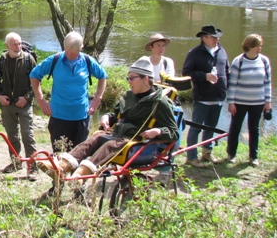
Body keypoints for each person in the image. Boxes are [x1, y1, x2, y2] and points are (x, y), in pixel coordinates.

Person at [38, 57, 179, 184]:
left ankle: (80, 176)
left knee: (110, 144)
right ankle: (60, 166)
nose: (128, 82)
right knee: (93, 139)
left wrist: (157, 131)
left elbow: (174, 132)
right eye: (128, 78)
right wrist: (107, 117)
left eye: (132, 78)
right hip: (119, 133)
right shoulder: (129, 95)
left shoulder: (160, 102)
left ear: (146, 79)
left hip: (137, 141)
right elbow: (115, 114)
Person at [30, 31, 108, 152]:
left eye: (74, 52)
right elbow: (34, 75)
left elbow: (103, 76)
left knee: (78, 154)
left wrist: (97, 99)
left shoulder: (87, 61)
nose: (70, 55)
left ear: (81, 48)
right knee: (59, 153)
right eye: (68, 51)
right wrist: (41, 100)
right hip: (58, 116)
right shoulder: (54, 60)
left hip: (81, 115)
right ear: (64, 46)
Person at [0, 32, 38, 180]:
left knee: (28, 136)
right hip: (7, 105)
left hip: (24, 105)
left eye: (19, 44)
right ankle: (16, 163)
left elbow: (36, 82)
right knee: (12, 136)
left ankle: (32, 167)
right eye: (14, 44)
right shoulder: (2, 60)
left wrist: (26, 98)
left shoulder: (28, 59)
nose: (18, 47)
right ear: (7, 46)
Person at [182, 24, 229, 167]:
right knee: (196, 128)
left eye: (217, 37)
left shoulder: (221, 51)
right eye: (213, 37)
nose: (216, 40)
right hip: (202, 97)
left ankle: (207, 152)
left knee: (211, 127)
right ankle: (191, 156)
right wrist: (204, 76)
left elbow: (226, 71)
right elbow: (186, 72)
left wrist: (227, 88)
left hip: (218, 96)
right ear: (204, 38)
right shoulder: (195, 53)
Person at [226, 34, 272, 166]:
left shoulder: (264, 61)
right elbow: (232, 83)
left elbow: (267, 82)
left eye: (260, 45)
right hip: (240, 101)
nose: (259, 48)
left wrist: (268, 101)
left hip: (258, 102)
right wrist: (231, 102)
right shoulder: (238, 61)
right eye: (257, 45)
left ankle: (253, 156)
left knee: (254, 129)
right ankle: (231, 154)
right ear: (249, 46)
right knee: (235, 127)